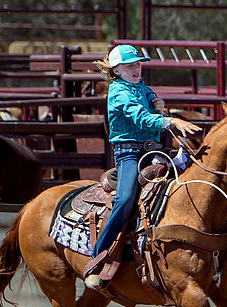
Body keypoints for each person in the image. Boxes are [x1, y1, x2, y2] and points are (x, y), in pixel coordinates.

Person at [84, 44, 200, 290]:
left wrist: (161, 109)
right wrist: (169, 118)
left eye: (137, 64)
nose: (135, 68)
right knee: (125, 198)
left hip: (153, 151)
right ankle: (98, 255)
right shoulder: (118, 92)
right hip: (128, 154)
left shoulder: (144, 89)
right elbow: (140, 118)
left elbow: (152, 114)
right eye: (129, 65)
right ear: (116, 69)